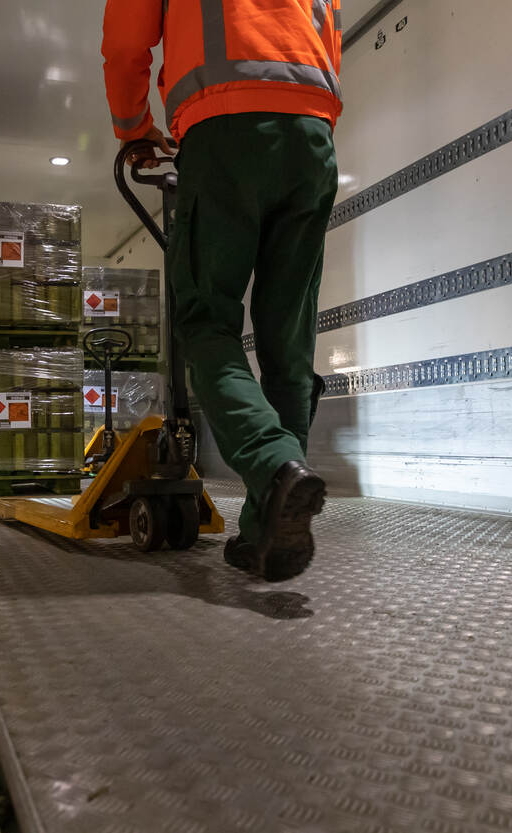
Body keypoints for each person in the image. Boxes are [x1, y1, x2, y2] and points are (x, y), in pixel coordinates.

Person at [102, 0, 342, 581]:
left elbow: (125, 45)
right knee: (288, 340)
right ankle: (267, 535)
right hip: (313, 135)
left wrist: (135, 129)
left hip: (224, 131)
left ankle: (273, 461)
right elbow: (329, 38)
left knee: (208, 324)